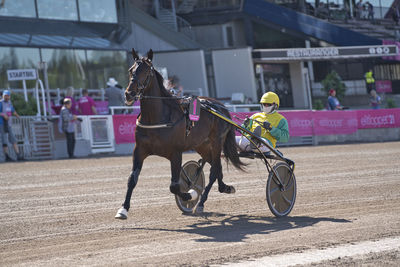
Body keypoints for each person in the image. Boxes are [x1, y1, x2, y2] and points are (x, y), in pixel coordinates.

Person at [0, 90, 23, 161]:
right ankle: (6, 156)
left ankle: (18, 155)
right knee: (4, 140)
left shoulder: (9, 103)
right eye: (5, 95)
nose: (6, 97)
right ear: (3, 96)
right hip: (2, 123)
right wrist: (3, 115)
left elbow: (13, 110)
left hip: (9, 123)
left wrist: (18, 116)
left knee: (13, 139)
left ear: (9, 96)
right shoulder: (0, 103)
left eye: (8, 95)